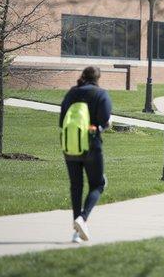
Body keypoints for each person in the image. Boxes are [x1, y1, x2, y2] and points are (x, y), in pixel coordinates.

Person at [59, 66, 112, 243]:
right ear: (98, 78)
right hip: (92, 145)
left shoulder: (71, 94)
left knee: (76, 186)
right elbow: (105, 120)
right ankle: (82, 218)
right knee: (98, 184)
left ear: (83, 76)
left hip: (70, 146)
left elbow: (61, 121)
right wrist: (105, 124)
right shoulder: (100, 94)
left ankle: (76, 231)